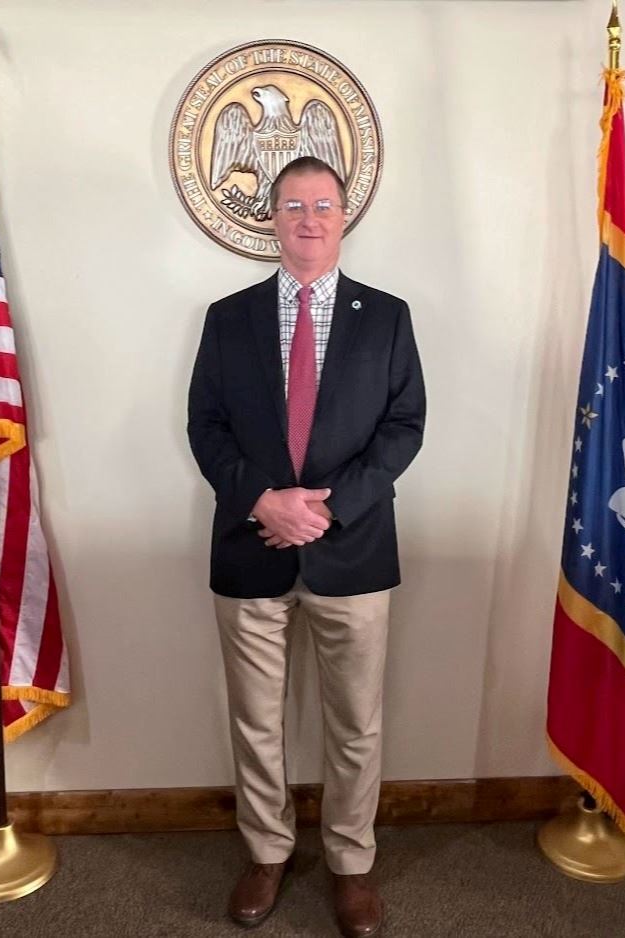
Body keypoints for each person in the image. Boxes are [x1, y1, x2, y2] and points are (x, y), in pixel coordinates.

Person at [187, 156, 425, 937]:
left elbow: (403, 427)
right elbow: (206, 426)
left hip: (351, 548)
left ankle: (351, 863)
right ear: (273, 218)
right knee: (256, 719)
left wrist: (327, 509)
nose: (309, 219)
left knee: (354, 721)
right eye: (293, 206)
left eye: (323, 204)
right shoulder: (227, 318)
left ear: (344, 214)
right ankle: (266, 851)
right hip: (249, 544)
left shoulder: (386, 316)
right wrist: (262, 498)